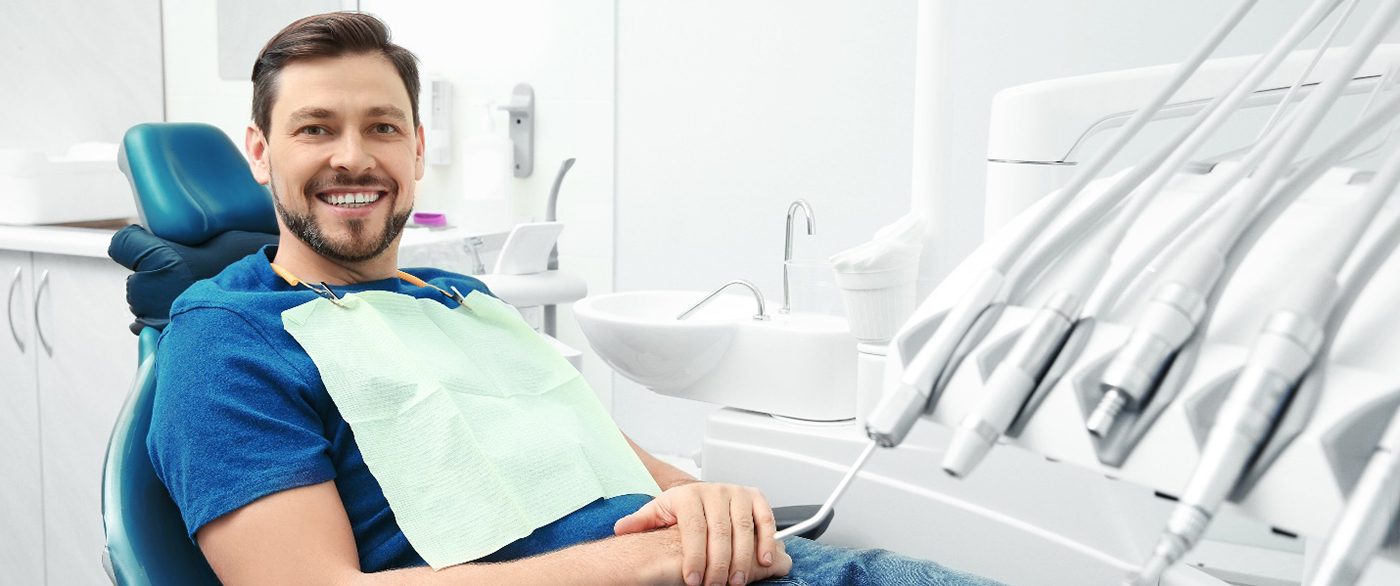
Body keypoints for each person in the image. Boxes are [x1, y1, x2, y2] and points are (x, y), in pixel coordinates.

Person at [149, 11, 1001, 586]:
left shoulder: (461, 298)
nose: (351, 157)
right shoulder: (227, 342)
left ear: (414, 151)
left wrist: (703, 498)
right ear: (259, 152)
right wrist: (647, 562)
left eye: (380, 127)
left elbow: (616, 458)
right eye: (314, 129)